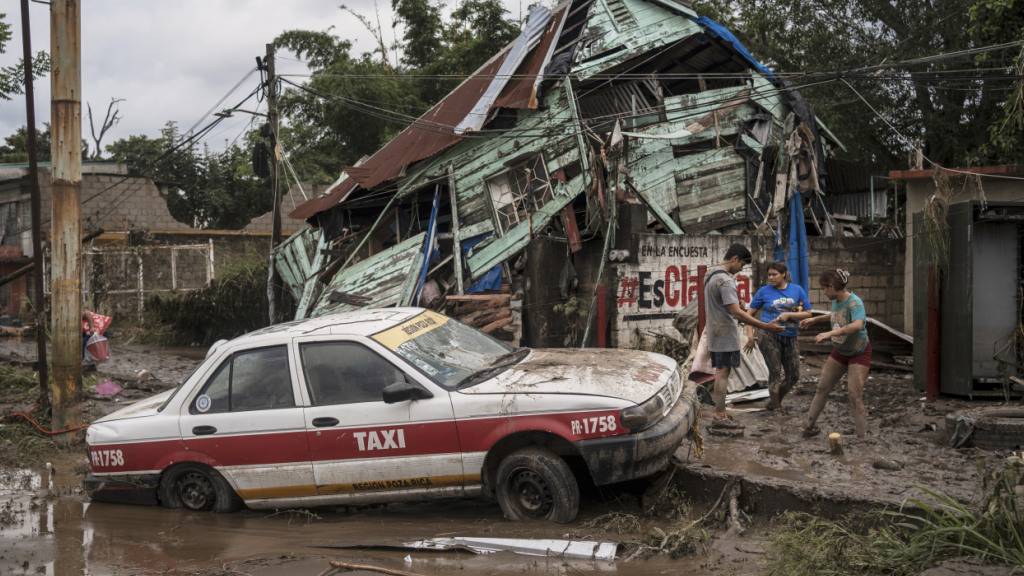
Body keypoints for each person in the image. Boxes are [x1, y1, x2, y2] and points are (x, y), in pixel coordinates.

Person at [704, 243, 785, 425]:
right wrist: (765, 325)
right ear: (734, 259)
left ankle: (720, 412)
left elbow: (726, 304)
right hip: (725, 333)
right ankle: (720, 415)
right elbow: (737, 312)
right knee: (723, 373)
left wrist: (736, 302)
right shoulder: (725, 280)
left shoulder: (711, 275)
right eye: (741, 265)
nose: (740, 270)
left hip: (715, 331)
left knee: (721, 372)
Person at [799, 269, 871, 438]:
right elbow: (836, 315)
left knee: (854, 395)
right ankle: (809, 427)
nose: (823, 292)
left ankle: (862, 437)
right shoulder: (837, 300)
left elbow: (857, 325)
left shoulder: (855, 303)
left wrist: (829, 334)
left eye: (824, 288)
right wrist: (815, 319)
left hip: (859, 353)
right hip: (840, 351)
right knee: (822, 387)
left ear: (832, 286)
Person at [745, 262, 812, 411]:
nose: (771, 277)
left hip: (790, 336)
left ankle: (774, 401)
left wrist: (789, 314)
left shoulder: (797, 290)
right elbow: (748, 315)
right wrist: (750, 336)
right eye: (769, 274)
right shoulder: (763, 291)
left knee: (793, 375)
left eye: (774, 274)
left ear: (784, 274)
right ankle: (776, 408)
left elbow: (808, 313)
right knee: (775, 372)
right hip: (768, 335)